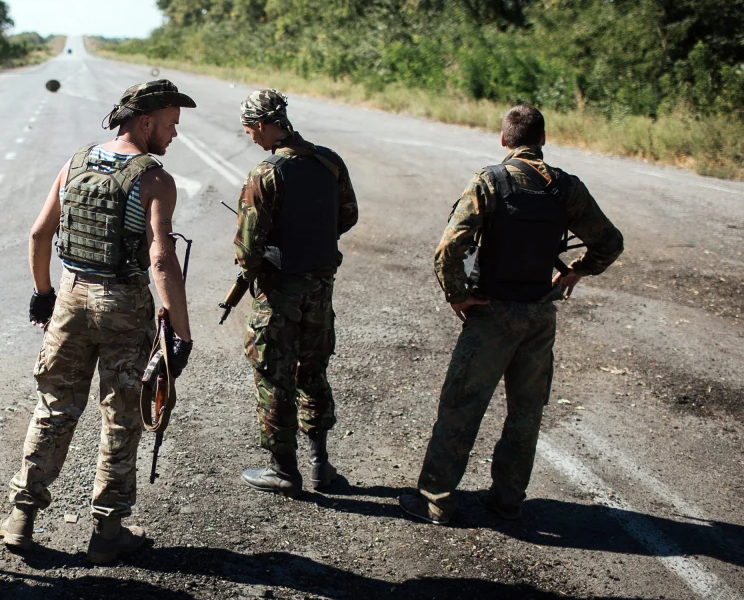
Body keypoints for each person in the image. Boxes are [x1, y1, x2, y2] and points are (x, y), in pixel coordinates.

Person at [0, 79, 196, 564]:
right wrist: (182, 333)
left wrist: (44, 294)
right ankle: (107, 531)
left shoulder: (76, 162)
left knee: (54, 407)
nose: (174, 134)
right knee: (122, 414)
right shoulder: (155, 180)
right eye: (170, 124)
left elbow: (39, 234)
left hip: (71, 295)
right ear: (144, 122)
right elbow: (161, 259)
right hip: (122, 303)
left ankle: (21, 517)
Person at [400, 105, 624, 525]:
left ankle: (436, 500)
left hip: (492, 314)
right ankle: (507, 500)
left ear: (504, 139)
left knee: (461, 405)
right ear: (543, 139)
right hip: (539, 316)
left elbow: (449, 247)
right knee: (526, 412)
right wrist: (576, 271)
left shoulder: (490, 181)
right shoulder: (566, 187)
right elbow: (610, 241)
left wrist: (457, 295)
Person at [233, 90, 359, 495]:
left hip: (279, 293)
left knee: (274, 375)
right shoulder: (328, 161)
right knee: (313, 371)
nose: (251, 137)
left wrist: (267, 261)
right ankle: (321, 465)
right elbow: (348, 215)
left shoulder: (266, 173)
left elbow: (247, 249)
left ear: (264, 124)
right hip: (320, 289)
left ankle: (284, 470)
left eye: (250, 130)